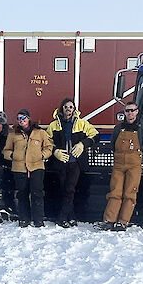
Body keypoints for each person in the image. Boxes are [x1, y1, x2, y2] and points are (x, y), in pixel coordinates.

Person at [96, 102, 143, 231]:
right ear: (124, 112)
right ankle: (109, 220)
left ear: (137, 112)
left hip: (134, 165)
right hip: (118, 165)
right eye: (128, 111)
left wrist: (140, 156)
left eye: (133, 110)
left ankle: (123, 221)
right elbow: (113, 145)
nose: (130, 113)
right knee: (115, 192)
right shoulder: (118, 128)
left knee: (130, 193)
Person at [46, 98, 98, 228]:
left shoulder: (82, 124)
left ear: (74, 109)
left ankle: (62, 217)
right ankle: (72, 216)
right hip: (61, 162)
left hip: (75, 162)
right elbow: (46, 142)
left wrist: (83, 144)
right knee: (64, 190)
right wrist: (55, 151)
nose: (68, 109)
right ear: (61, 109)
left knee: (70, 189)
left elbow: (96, 135)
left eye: (71, 107)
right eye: (65, 107)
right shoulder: (54, 125)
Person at [3, 109, 53, 228]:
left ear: (29, 118)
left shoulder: (40, 133)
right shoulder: (13, 134)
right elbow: (6, 150)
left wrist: (42, 155)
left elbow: (49, 147)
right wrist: (13, 156)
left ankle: (38, 219)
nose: (21, 121)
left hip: (36, 167)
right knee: (22, 194)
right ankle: (24, 218)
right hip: (19, 168)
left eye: (23, 118)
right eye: (19, 118)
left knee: (37, 193)